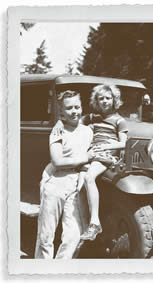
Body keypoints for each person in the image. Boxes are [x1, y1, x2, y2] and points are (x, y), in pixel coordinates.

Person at [53, 84, 128, 241]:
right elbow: (73, 119)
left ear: (114, 100)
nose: (104, 101)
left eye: (108, 98)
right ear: (96, 101)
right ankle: (81, 226)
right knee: (79, 184)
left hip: (106, 154)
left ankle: (95, 223)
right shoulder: (93, 117)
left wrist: (107, 145)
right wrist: (60, 122)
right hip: (92, 154)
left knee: (88, 178)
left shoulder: (119, 120)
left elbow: (123, 143)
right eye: (101, 98)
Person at [34, 90, 93, 259]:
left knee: (74, 236)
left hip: (77, 184)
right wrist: (84, 158)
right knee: (46, 236)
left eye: (77, 106)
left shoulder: (88, 131)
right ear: (61, 112)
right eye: (69, 108)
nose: (74, 111)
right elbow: (57, 161)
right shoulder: (58, 131)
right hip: (56, 182)